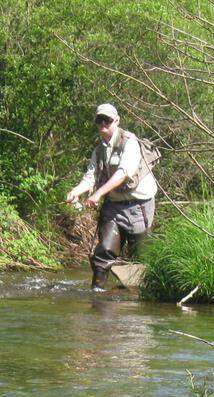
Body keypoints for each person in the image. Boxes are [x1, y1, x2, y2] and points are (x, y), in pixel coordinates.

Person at [64, 103, 157, 291]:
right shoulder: (98, 151)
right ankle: (97, 296)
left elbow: (123, 173)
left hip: (140, 206)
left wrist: (98, 193)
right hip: (114, 206)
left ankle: (140, 301)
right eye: (99, 120)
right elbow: (90, 178)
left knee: (141, 258)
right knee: (104, 252)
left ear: (117, 120)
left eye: (107, 120)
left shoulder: (129, 142)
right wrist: (76, 191)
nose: (103, 124)